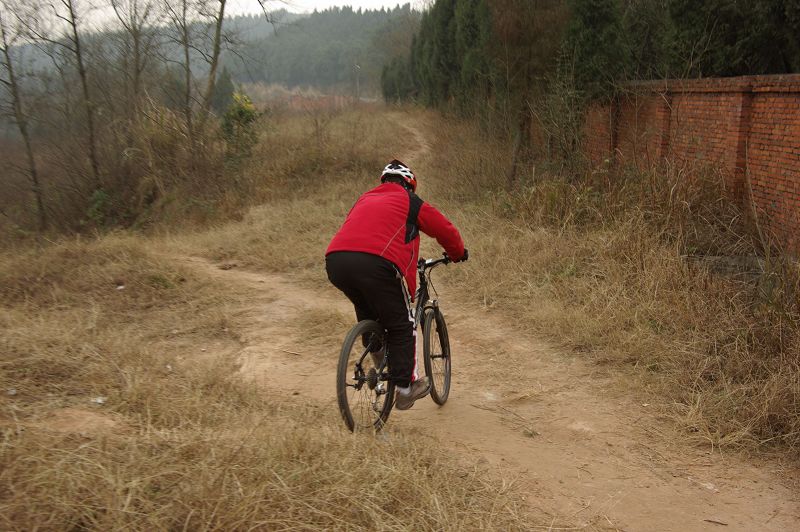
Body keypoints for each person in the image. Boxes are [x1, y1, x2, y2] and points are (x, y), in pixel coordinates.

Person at [325, 159, 468, 410]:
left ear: (384, 181)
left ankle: (381, 364)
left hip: (337, 262)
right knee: (402, 324)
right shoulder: (410, 201)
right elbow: (444, 229)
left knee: (368, 311)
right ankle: (404, 388)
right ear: (409, 184)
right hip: (378, 264)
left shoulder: (364, 198)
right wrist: (457, 253)